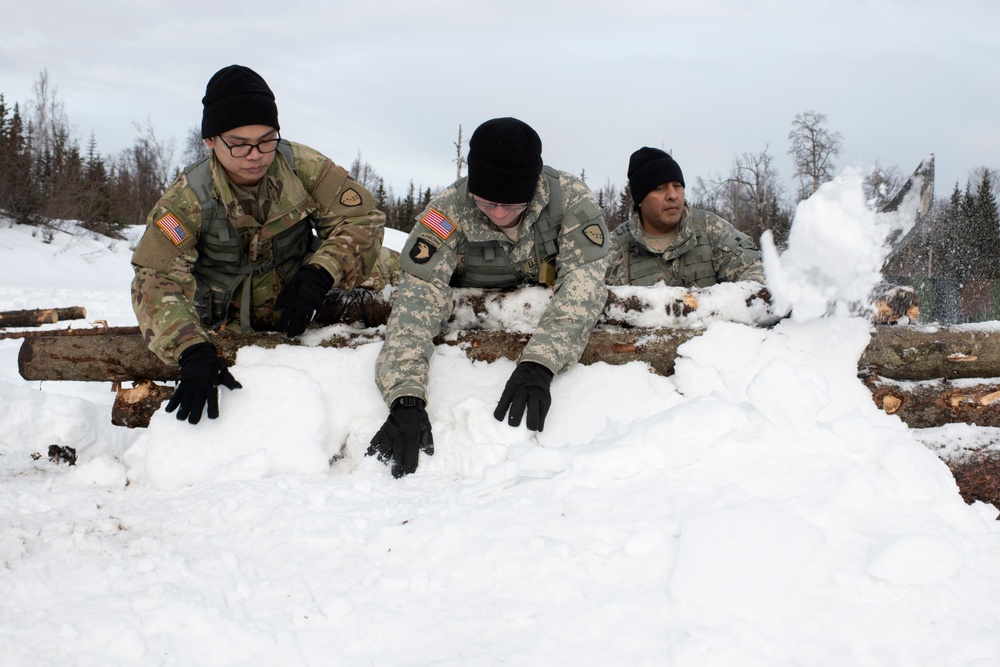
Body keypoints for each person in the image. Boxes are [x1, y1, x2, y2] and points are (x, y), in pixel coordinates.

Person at [131, 64, 385, 424]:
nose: (256, 154)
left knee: (393, 265)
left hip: (304, 302)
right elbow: (155, 278)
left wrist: (321, 272)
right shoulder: (187, 198)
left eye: (267, 140)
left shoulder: (303, 166)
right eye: (239, 144)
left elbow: (363, 218)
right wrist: (190, 348)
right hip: (225, 321)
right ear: (210, 140)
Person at [368, 117, 609, 477]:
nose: (497, 213)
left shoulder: (569, 199)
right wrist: (406, 395)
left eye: (511, 205)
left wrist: (540, 362)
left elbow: (584, 285)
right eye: (486, 202)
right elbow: (418, 298)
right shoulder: (446, 211)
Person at [605, 147, 765, 287]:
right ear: (640, 199)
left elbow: (756, 272)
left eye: (677, 185)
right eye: (660, 188)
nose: (673, 195)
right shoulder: (615, 249)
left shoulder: (709, 228)